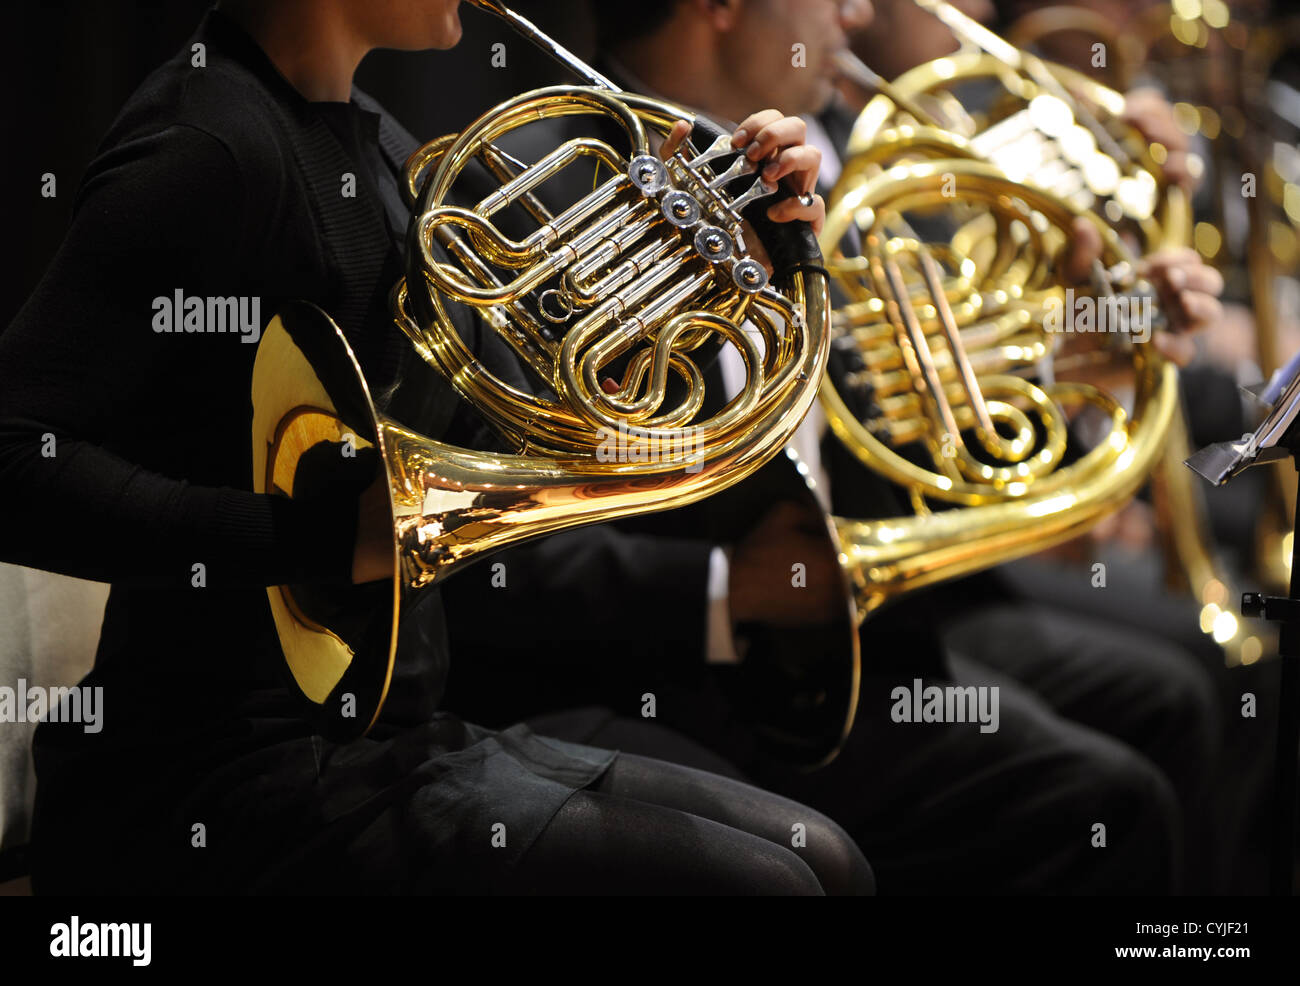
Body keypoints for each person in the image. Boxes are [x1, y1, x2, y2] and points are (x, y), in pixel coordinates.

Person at [0, 0, 876, 895]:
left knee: (827, 861)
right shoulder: (208, 140)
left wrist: (736, 253)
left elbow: (524, 414)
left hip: (383, 741)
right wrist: (315, 541)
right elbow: (12, 461)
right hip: (208, 783)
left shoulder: (373, 143)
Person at [439, 0, 1235, 893]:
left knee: (1167, 707)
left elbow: (899, 418)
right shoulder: (543, 189)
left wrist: (1082, 354)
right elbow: (525, 544)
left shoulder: (792, 170)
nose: (856, 12)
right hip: (666, 663)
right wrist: (737, 592)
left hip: (848, 621)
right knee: (1107, 797)